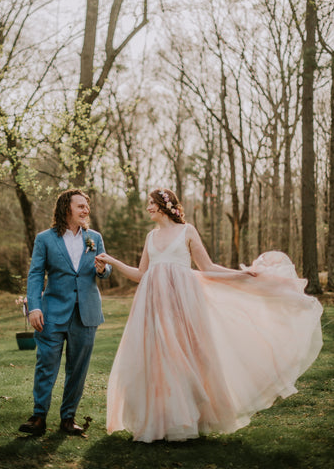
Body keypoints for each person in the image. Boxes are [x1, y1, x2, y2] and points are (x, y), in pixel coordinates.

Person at [96, 188, 323, 443]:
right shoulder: (150, 236)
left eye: (151, 203)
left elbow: (208, 267)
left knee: (187, 357)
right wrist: (112, 261)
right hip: (152, 306)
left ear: (163, 205)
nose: (147, 207)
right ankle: (160, 421)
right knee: (159, 360)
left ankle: (190, 418)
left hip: (183, 304)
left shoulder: (187, 231)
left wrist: (239, 275)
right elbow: (140, 275)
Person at [19, 189, 112, 436]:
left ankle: (68, 418)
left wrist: (103, 270)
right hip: (51, 313)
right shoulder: (45, 239)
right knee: (46, 364)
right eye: (80, 206)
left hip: (86, 313)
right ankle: (38, 417)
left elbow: (104, 270)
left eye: (87, 206)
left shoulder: (94, 237)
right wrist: (34, 307)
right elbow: (36, 273)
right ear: (66, 208)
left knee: (78, 369)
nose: (86, 210)